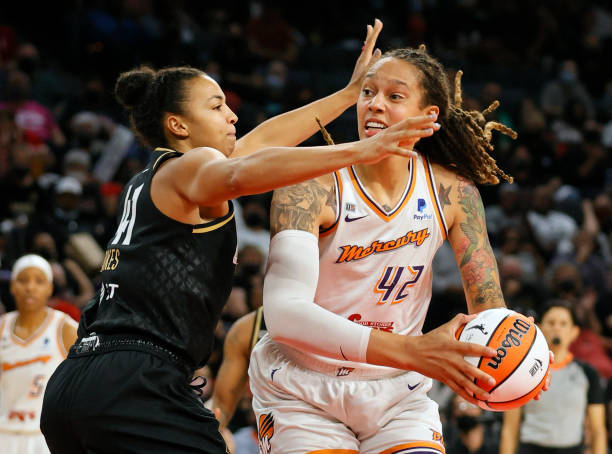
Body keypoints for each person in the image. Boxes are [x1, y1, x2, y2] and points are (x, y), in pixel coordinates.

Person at [40, 20, 440, 454]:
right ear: (178, 126)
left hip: (77, 381)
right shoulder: (193, 167)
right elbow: (238, 172)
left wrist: (347, 96)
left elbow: (262, 143)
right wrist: (362, 150)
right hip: (137, 382)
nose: (232, 114)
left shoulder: (159, 178)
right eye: (215, 107)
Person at [249, 45, 529, 453]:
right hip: (302, 388)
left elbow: (490, 311)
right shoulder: (310, 183)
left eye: (394, 96)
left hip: (397, 390)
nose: (375, 105)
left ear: (427, 115)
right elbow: (284, 314)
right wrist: (413, 350)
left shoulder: (453, 191)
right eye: (367, 93)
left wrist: (521, 369)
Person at [499, 300, 606, 454]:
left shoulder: (588, 373)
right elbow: (509, 429)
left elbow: (598, 431)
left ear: (574, 332)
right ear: (540, 328)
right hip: (531, 448)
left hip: (571, 449)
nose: (557, 328)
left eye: (563, 324)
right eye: (551, 322)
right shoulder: (521, 371)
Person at [0, 254, 78, 454]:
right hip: (4, 433)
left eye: (39, 281)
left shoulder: (64, 328)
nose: (30, 287)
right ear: (12, 286)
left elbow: (87, 380)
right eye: (23, 280)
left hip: (45, 438)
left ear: (50, 288)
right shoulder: (2, 328)